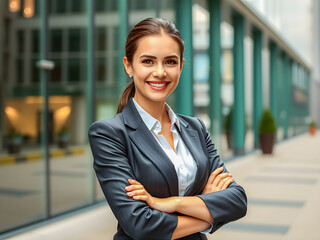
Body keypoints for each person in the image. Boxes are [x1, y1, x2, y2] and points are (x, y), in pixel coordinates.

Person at [88, 17, 247, 240]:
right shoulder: (109, 134)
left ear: (181, 67)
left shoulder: (196, 128)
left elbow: (237, 200)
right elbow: (141, 225)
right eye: (148, 61)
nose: (160, 72)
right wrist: (207, 208)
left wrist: (170, 203)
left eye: (170, 62)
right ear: (128, 66)